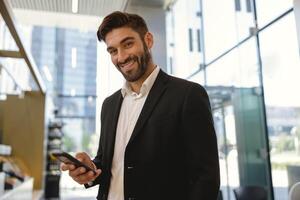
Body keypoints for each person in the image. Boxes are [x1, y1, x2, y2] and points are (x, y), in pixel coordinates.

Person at [61, 11, 220, 200]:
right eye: (113, 51)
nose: (121, 57)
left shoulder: (188, 95)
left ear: (148, 40)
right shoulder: (109, 105)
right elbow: (111, 164)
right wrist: (91, 170)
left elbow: (206, 178)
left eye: (128, 44)